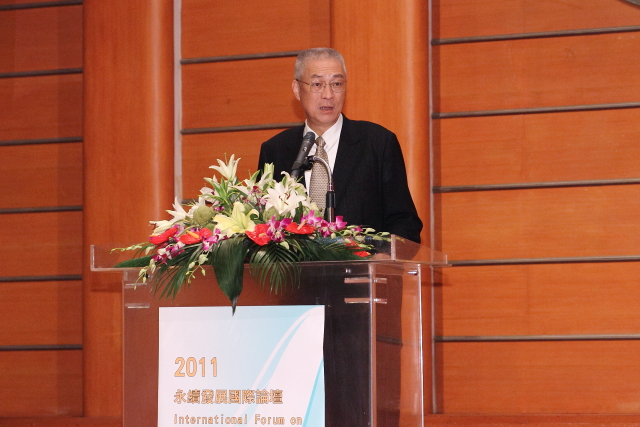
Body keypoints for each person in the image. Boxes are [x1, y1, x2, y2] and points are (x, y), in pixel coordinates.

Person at [257, 47, 422, 243]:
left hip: (363, 263)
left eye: (336, 84)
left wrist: (383, 254)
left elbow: (405, 222)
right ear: (297, 89)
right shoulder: (275, 151)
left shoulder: (378, 143)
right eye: (317, 84)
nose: (328, 94)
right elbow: (263, 224)